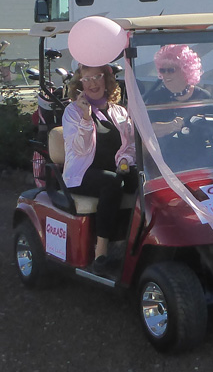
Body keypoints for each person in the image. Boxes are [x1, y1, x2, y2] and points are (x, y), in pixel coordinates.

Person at [63, 64, 136, 276]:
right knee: (112, 182)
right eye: (87, 79)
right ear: (80, 84)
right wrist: (86, 118)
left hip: (112, 169)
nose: (93, 83)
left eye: (97, 76)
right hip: (81, 174)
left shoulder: (118, 111)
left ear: (106, 80)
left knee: (140, 179)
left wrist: (124, 161)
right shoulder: (73, 112)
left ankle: (134, 241)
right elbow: (80, 148)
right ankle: (101, 251)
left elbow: (129, 145)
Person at [146, 44, 213, 170]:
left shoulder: (203, 96)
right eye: (162, 70)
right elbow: (148, 131)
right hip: (166, 163)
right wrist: (170, 126)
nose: (166, 75)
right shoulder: (156, 98)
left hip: (199, 161)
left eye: (171, 70)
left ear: (185, 70)